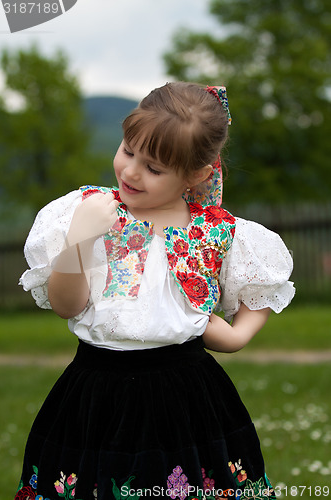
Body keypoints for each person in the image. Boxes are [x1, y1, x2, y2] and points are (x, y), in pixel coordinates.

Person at [16, 82, 294, 500]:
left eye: (154, 168)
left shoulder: (216, 231)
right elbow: (65, 305)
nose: (130, 172)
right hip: (96, 394)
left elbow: (259, 285)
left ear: (196, 174)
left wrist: (236, 336)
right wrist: (78, 240)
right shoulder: (87, 212)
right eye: (128, 151)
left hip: (187, 400)